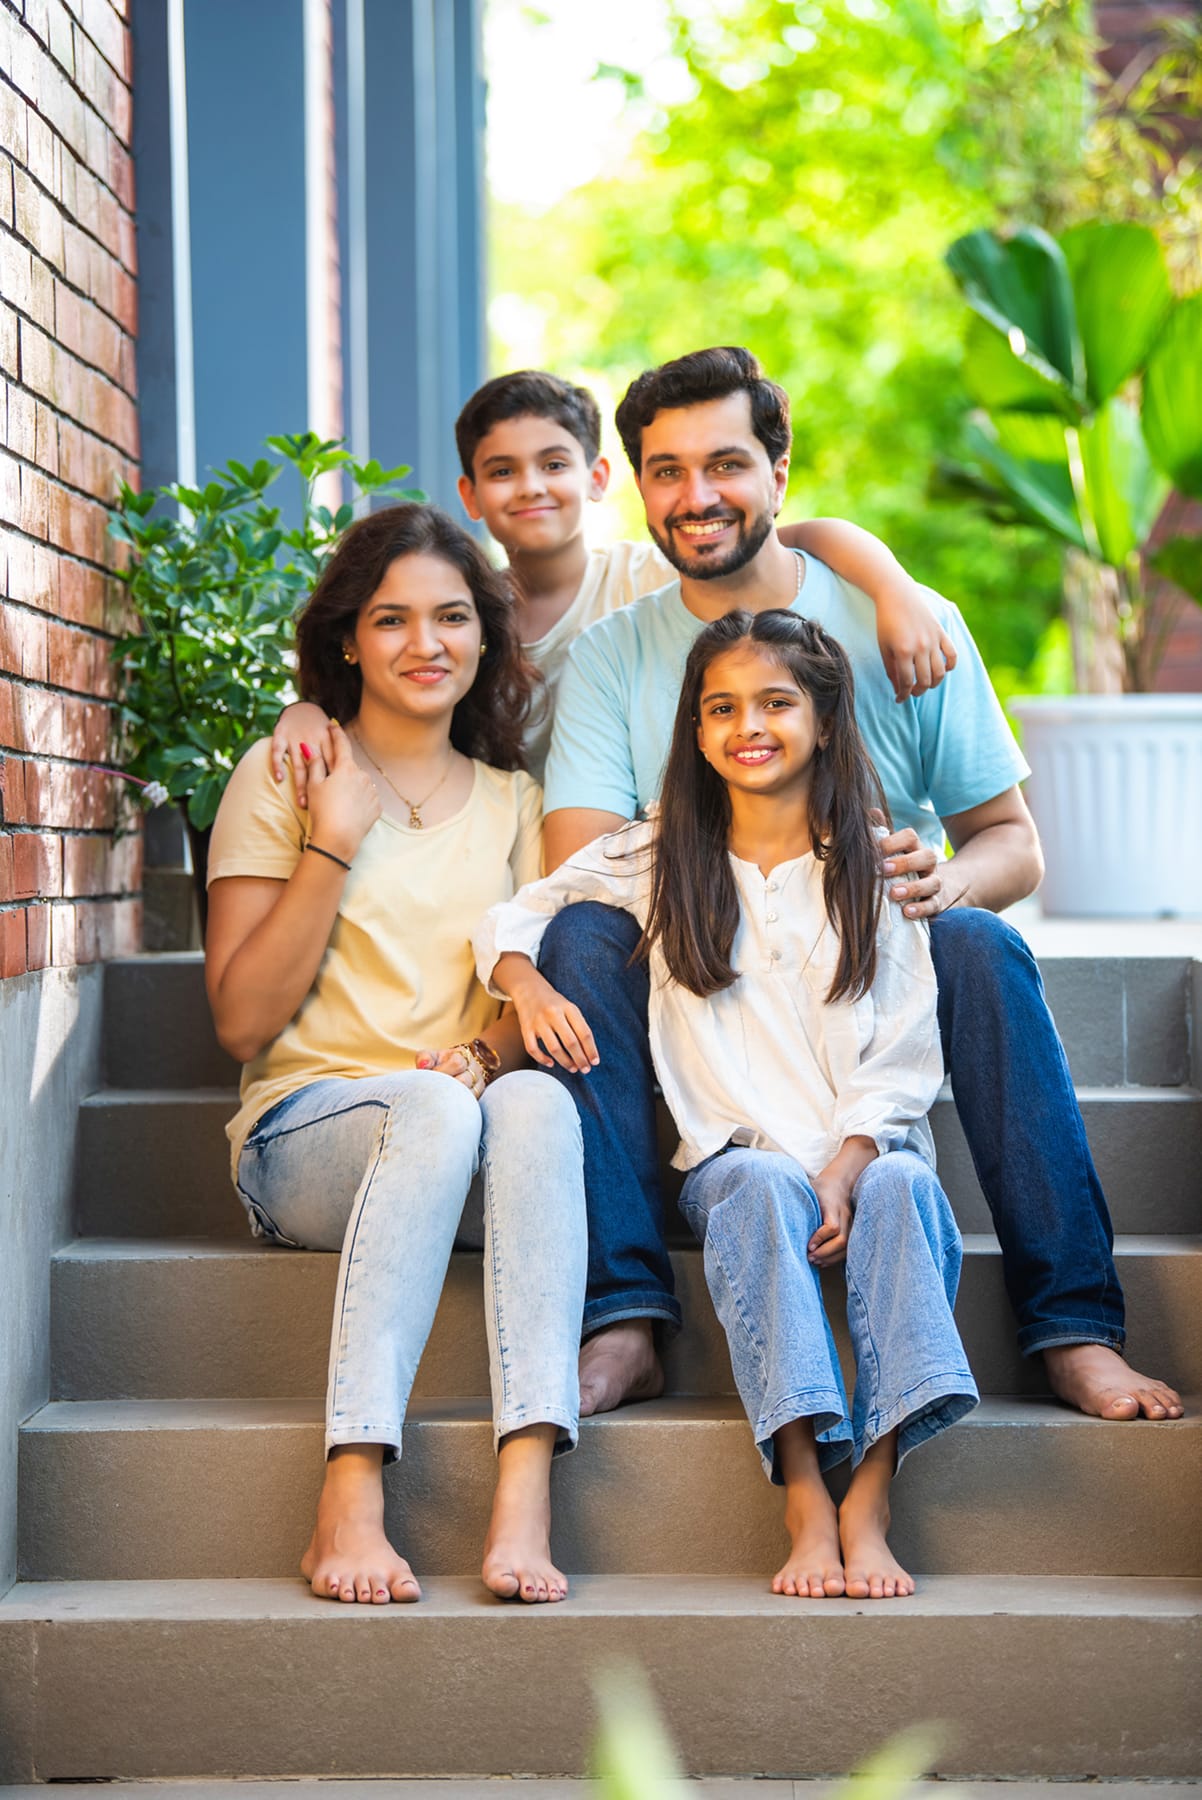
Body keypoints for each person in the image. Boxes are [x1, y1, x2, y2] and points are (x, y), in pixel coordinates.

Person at [536, 345, 1182, 1425]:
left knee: (982, 942)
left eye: (725, 463)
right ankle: (626, 1316)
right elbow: (581, 872)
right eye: (664, 470)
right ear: (638, 486)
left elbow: (1010, 844)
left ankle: (1071, 1326)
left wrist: (943, 880)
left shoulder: (903, 623)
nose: (695, 496)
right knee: (575, 946)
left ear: (780, 471)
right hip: (707, 961)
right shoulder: (613, 655)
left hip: (875, 952)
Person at [476, 610, 979, 1599]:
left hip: (865, 1150)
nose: (747, 725)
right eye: (721, 709)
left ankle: (869, 1495)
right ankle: (801, 1490)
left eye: (775, 703)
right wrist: (525, 987)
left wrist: (847, 1160)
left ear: (824, 721)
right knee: (748, 1183)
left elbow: (908, 1041)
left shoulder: (871, 864)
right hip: (736, 1161)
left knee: (900, 1194)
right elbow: (520, 914)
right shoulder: (659, 855)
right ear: (696, 734)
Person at [204, 503, 587, 1607]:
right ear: (346, 642)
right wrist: (333, 834)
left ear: (485, 639)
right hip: (306, 1139)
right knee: (437, 1114)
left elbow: (534, 1008)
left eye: (453, 617)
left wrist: (474, 1060)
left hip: (459, 1130)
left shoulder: (519, 805)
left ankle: (525, 1487)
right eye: (392, 620)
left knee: (537, 1108)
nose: (426, 644)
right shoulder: (284, 773)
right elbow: (239, 1022)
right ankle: (351, 1489)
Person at [271, 368, 958, 794]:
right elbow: (378, 681)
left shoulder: (651, 574)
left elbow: (781, 541)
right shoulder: (458, 614)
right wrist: (305, 712)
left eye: (553, 464)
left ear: (597, 479)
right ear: (470, 495)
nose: (531, 487)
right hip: (506, 853)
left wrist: (892, 586)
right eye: (503, 471)